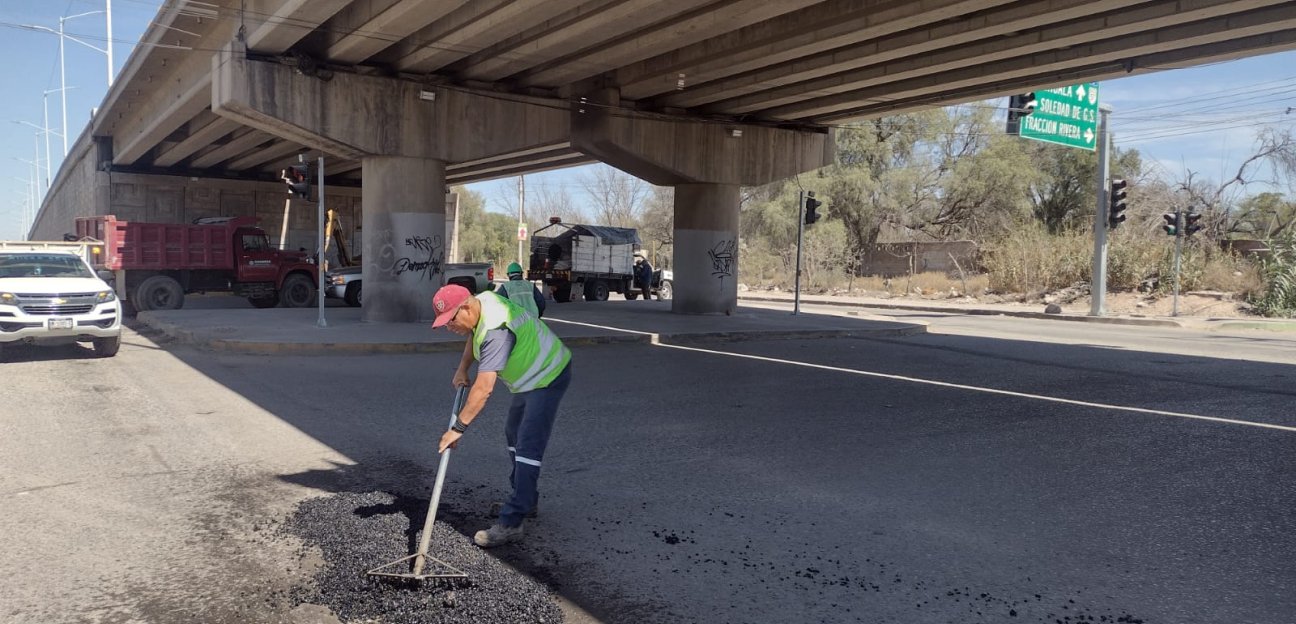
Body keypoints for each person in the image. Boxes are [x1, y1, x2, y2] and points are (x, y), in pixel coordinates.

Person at [432, 283, 573, 547]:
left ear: (466, 307)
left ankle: (512, 521)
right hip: (530, 379)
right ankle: (525, 497)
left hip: (548, 376)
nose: (449, 327)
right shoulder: (483, 302)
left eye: (450, 321)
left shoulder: (496, 330)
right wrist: (462, 368)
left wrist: (457, 428)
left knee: (528, 447)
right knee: (513, 433)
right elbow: (473, 337)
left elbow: (484, 389)